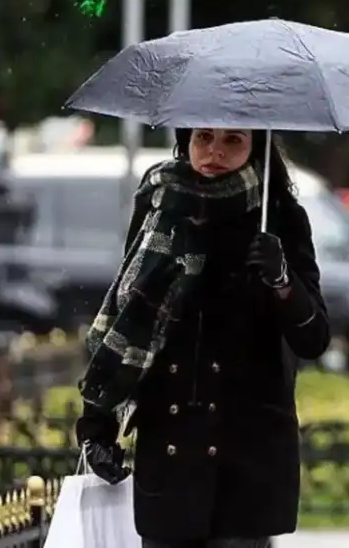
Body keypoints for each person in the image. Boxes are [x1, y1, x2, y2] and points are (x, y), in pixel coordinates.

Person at [75, 127, 331, 548]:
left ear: (256, 148)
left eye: (233, 140)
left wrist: (282, 279)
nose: (214, 152)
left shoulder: (279, 216)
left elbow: (314, 338)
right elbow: (129, 319)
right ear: (185, 140)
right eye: (203, 137)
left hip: (246, 456)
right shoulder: (160, 206)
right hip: (172, 447)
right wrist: (97, 424)